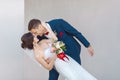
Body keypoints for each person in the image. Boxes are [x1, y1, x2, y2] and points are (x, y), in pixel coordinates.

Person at [28, 18, 94, 80]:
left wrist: (87, 45)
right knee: (52, 78)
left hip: (72, 51)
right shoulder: (39, 37)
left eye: (35, 32)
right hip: (55, 58)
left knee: (76, 74)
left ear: (39, 26)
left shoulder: (58, 23)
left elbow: (75, 33)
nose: (35, 35)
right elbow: (39, 50)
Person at [21, 32, 97, 80]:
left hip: (66, 59)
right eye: (33, 36)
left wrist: (58, 46)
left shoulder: (43, 41)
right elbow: (48, 67)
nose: (36, 36)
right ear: (31, 41)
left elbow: (55, 39)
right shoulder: (37, 55)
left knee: (80, 72)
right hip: (59, 65)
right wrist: (54, 58)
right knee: (73, 77)